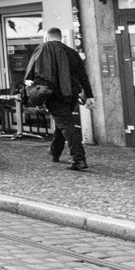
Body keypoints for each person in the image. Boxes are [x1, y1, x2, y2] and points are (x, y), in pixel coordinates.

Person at [25, 28, 94, 170]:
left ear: (47, 37)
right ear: (60, 37)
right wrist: (90, 96)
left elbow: (31, 69)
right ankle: (55, 151)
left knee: (66, 124)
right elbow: (83, 76)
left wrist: (28, 82)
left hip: (52, 94)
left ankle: (79, 159)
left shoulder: (43, 48)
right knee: (63, 122)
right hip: (71, 94)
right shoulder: (73, 53)